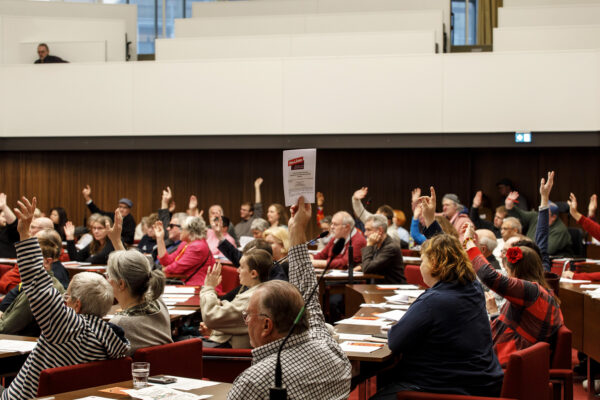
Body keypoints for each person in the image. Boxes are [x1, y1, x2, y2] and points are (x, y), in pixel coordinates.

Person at [371, 189, 503, 399]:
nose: (421, 264)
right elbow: (448, 251)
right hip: (482, 383)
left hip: (445, 389)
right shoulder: (471, 287)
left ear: (434, 265)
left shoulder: (433, 301)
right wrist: (431, 220)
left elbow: (395, 342)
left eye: (423, 259)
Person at [1, 196, 129, 400]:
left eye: (67, 297)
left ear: (76, 305)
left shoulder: (65, 326)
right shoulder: (114, 339)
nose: (63, 300)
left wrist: (25, 233)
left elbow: (39, 284)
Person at [227, 196, 351, 399]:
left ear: (267, 325)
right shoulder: (331, 349)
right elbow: (308, 293)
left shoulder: (255, 381)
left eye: (247, 316)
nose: (246, 321)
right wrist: (296, 229)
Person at [463, 172, 564, 366]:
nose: (503, 255)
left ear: (514, 267)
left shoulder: (530, 290)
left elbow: (487, 275)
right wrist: (543, 200)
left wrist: (468, 242)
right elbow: (541, 241)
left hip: (506, 365)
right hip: (510, 356)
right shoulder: (540, 287)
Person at [105, 211, 172, 355]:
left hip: (138, 377)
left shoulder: (119, 323)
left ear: (121, 284)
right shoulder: (157, 301)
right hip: (167, 374)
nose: (107, 280)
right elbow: (133, 270)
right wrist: (116, 241)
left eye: (109, 276)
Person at [200, 249, 272, 348]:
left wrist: (208, 288)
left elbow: (210, 316)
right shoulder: (260, 290)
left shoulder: (253, 297)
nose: (238, 270)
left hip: (228, 353)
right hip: (224, 344)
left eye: (241, 267)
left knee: (179, 344)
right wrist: (215, 328)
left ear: (253, 274)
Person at [0, 230, 66, 336]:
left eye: (29, 260)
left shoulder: (38, 289)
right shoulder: (49, 283)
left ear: (47, 262)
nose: (22, 264)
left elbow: (4, 329)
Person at [505, 190, 572, 256]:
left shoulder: (559, 230)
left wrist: (525, 246)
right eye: (540, 211)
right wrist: (509, 206)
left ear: (553, 217)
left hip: (549, 261)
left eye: (544, 213)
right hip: (530, 254)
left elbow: (546, 250)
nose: (540, 215)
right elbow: (520, 215)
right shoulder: (536, 216)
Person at [155, 216, 216, 287]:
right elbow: (167, 261)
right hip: (186, 284)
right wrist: (159, 238)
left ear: (191, 232)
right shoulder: (185, 243)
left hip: (200, 288)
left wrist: (161, 270)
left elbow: (176, 268)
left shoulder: (198, 247)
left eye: (182, 229)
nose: (180, 231)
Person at [360, 214, 405, 284]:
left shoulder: (391, 247)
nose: (365, 233)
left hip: (392, 289)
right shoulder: (376, 244)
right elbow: (368, 263)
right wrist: (360, 267)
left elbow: (367, 268)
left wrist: (369, 245)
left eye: (368, 230)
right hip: (378, 286)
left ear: (380, 230)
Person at [0, 193, 19, 259]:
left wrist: (4, 207)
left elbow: (13, 224)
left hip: (8, 266)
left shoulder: (9, 232)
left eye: (6, 217)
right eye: (3, 217)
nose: (5, 219)